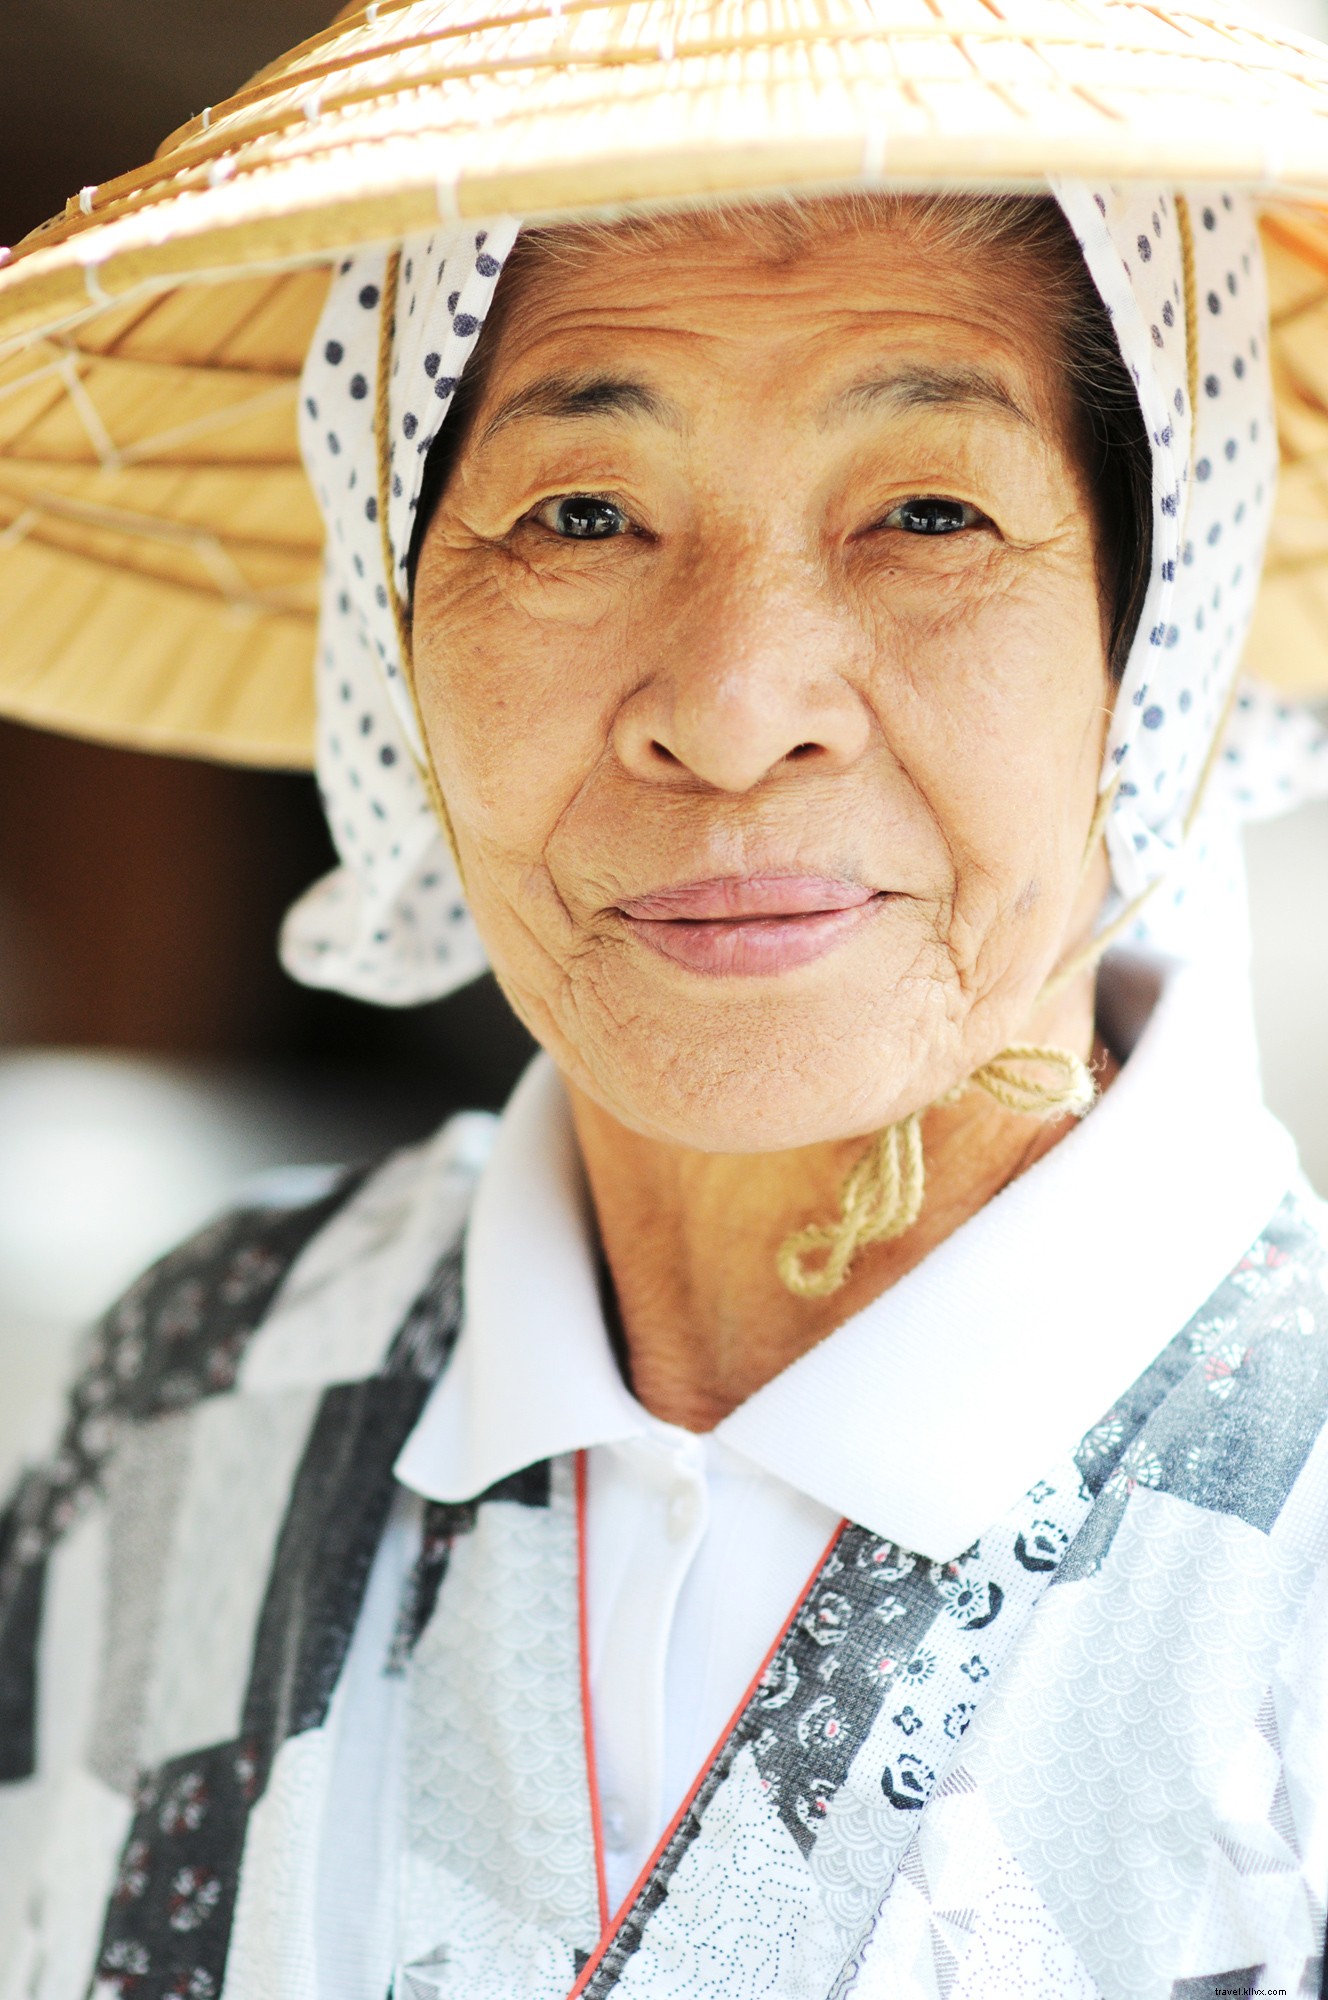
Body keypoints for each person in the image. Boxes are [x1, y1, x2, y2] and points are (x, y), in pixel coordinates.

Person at [1, 7, 1327, 1998]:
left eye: (930, 512)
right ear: (402, 617)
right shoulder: (196, 1398)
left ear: (1160, 623)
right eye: (581, 515)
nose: (729, 708)